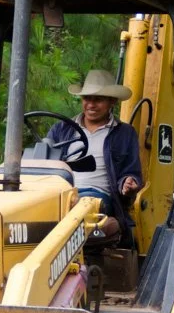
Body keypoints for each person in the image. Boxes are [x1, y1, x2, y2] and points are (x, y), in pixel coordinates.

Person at [47, 69, 143, 243]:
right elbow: (44, 162)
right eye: (87, 98)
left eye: (98, 99)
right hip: (63, 194)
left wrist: (128, 182)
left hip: (98, 196)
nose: (91, 104)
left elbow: (131, 171)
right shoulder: (62, 129)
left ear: (112, 101)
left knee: (77, 206)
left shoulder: (124, 133)